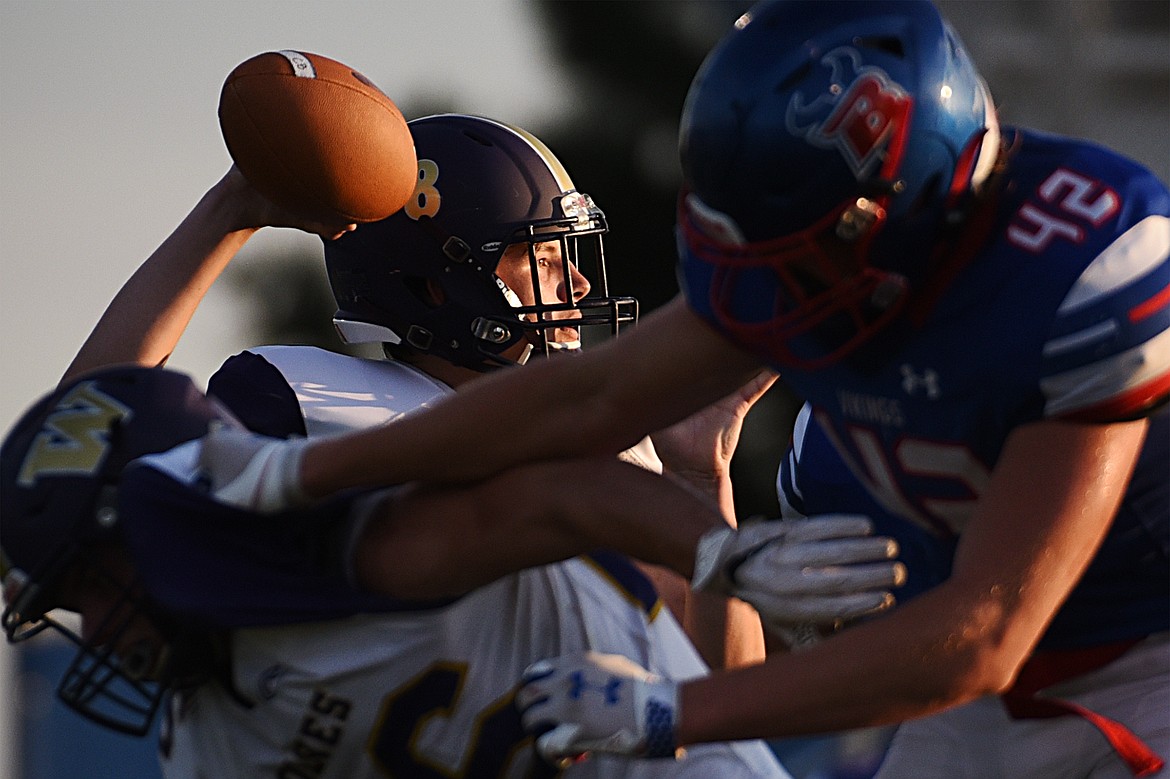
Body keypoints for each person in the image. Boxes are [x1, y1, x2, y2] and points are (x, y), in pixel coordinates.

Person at [206, 1, 1168, 776]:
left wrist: (673, 710)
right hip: (979, 687)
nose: (763, 288)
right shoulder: (828, 451)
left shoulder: (1093, 264)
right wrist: (308, 473)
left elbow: (985, 634)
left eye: (792, 255)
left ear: (894, 209)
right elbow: (591, 399)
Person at [3, 113, 904, 777]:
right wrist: (228, 213)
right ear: (437, 287)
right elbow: (87, 438)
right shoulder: (308, 400)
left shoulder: (623, 449)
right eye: (539, 254)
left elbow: (721, 689)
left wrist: (702, 477)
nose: (576, 280)